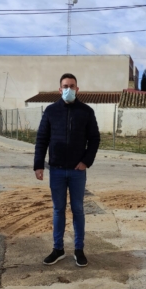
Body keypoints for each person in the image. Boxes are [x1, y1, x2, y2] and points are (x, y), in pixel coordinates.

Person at [34, 73, 100, 267]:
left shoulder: (86, 111)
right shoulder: (51, 111)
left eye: (72, 86)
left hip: (77, 171)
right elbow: (41, 139)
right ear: (59, 89)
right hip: (56, 170)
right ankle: (58, 249)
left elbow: (94, 139)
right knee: (58, 209)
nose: (68, 89)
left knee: (78, 209)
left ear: (77, 89)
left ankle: (79, 250)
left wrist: (86, 161)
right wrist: (39, 164)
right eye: (65, 86)